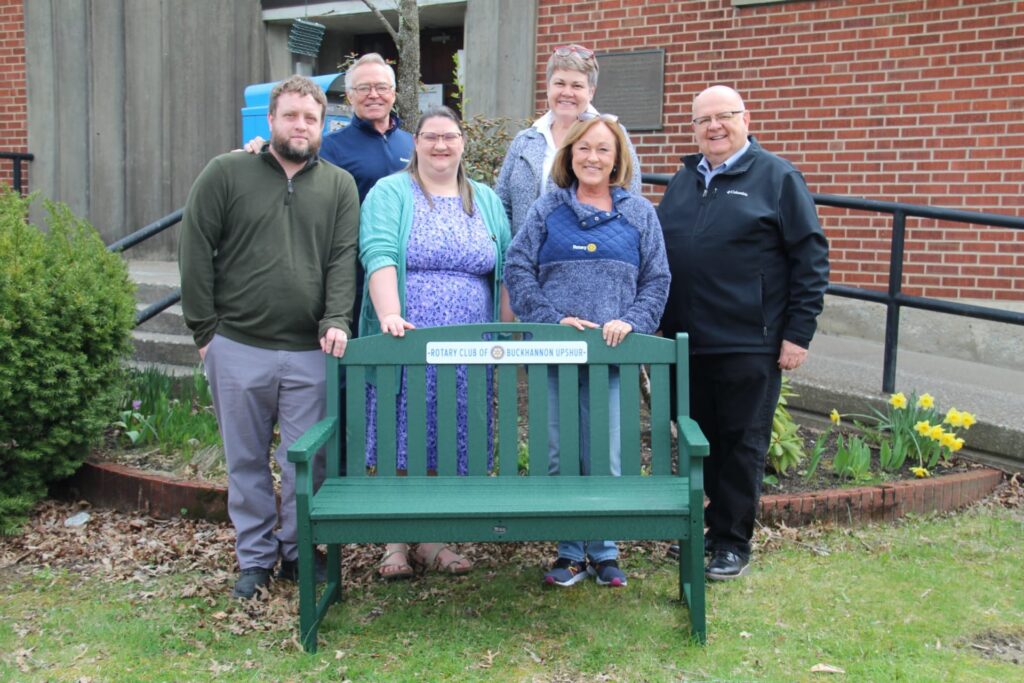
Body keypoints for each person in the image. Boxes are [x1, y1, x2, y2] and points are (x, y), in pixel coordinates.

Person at [179, 75, 360, 599]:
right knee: (246, 460)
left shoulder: (338, 186)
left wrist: (337, 320)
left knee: (308, 460)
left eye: (311, 118)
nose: (300, 126)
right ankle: (255, 559)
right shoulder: (225, 173)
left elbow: (340, 262)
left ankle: (299, 552)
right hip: (237, 345)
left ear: (323, 125)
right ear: (271, 121)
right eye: (291, 116)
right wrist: (205, 331)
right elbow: (195, 249)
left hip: (309, 351)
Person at [658, 85, 829, 581]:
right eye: (702, 120)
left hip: (749, 341)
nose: (713, 127)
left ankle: (732, 541)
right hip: (686, 341)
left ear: (745, 118)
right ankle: (706, 528)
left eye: (724, 116)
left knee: (742, 441)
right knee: (699, 439)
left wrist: (798, 333)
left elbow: (811, 258)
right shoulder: (684, 180)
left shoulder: (777, 177)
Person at [503, 115, 670, 588]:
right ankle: (568, 552)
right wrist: (551, 319)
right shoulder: (546, 210)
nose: (592, 157)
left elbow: (658, 278)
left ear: (618, 159)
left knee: (607, 455)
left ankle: (605, 551)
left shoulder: (638, 213)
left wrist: (631, 322)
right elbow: (518, 266)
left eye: (603, 149)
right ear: (569, 155)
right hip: (556, 355)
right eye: (583, 149)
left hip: (610, 358)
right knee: (559, 453)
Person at [359, 106, 513, 580]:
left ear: (463, 143)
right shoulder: (391, 192)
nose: (441, 145)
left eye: (450, 136)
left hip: (471, 349)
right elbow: (379, 252)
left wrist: (509, 333)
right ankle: (394, 543)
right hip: (408, 340)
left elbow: (506, 268)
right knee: (401, 437)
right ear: (416, 143)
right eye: (430, 137)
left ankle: (432, 539)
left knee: (449, 438)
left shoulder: (485, 198)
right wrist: (390, 316)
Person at [495, 43, 643, 236]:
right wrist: (512, 257)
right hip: (526, 262)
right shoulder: (524, 141)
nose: (567, 92)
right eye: (559, 83)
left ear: (591, 91)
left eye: (577, 86)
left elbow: (630, 203)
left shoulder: (614, 135)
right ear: (548, 87)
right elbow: (502, 207)